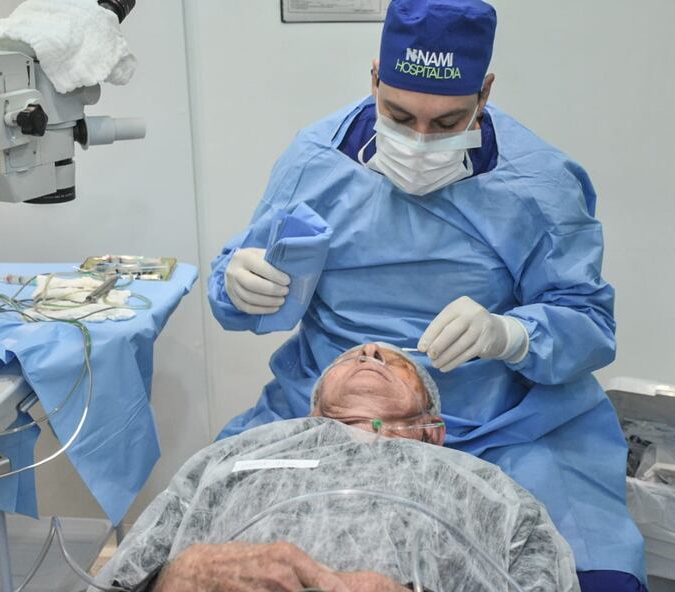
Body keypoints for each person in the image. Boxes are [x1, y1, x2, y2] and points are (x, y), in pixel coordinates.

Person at [207, 1, 646, 588]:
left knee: (587, 573)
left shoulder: (536, 184)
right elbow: (257, 282)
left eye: (447, 124)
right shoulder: (316, 162)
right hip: (328, 422)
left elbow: (588, 322)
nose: (418, 142)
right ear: (373, 80)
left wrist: (510, 333)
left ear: (484, 93)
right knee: (207, 544)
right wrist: (239, 285)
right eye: (398, 114)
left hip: (498, 430)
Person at [95, 344, 580, 592]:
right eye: (350, 358)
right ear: (313, 413)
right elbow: (122, 576)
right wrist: (179, 577)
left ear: (434, 429)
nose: (369, 352)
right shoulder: (236, 455)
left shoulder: (489, 488)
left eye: (396, 362)